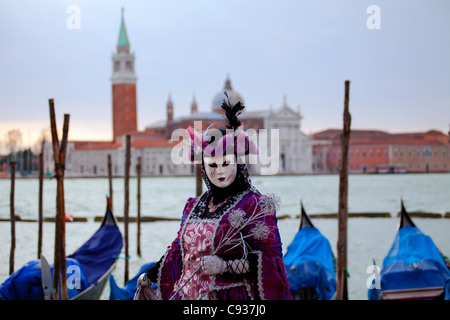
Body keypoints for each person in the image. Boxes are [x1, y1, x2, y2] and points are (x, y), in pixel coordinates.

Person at [134, 93, 291, 300]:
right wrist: (150, 275)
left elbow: (271, 261)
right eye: (212, 166)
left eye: (226, 164)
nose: (219, 172)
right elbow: (178, 252)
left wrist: (225, 266)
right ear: (204, 168)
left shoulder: (253, 205)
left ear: (238, 163)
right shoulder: (195, 205)